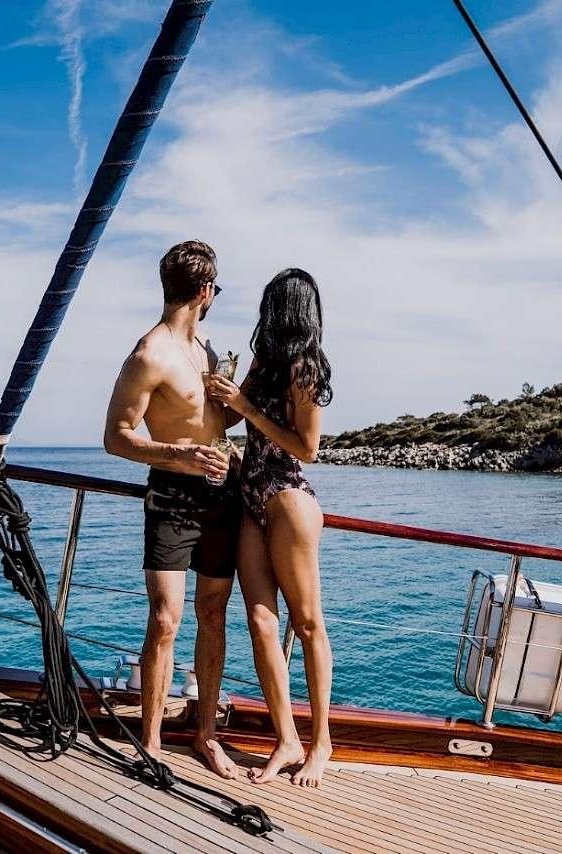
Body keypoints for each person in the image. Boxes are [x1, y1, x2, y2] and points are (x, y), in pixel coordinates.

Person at [103, 240, 240, 779]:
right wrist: (179, 453)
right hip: (172, 497)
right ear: (206, 292)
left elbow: (212, 424)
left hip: (222, 496)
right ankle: (152, 741)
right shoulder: (148, 355)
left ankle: (206, 735)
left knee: (212, 615)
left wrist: (233, 407)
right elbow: (116, 438)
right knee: (165, 620)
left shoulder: (206, 350)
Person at [205, 267, 334, 787]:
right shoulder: (263, 361)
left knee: (306, 625)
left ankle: (322, 742)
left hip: (287, 498)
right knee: (260, 621)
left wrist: (247, 407)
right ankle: (286, 738)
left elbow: (307, 448)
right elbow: (238, 419)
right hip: (250, 495)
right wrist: (222, 395)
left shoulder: (306, 368)